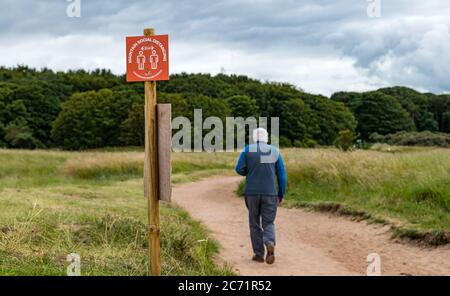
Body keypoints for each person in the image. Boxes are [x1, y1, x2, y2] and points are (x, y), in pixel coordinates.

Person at [235, 128, 287, 264]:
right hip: (270, 193)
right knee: (268, 222)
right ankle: (269, 242)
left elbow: (238, 169)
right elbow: (282, 176)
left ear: (254, 138)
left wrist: (249, 171)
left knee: (254, 223)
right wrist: (281, 193)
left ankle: (258, 254)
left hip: (251, 192)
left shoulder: (248, 149)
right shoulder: (275, 151)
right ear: (267, 138)